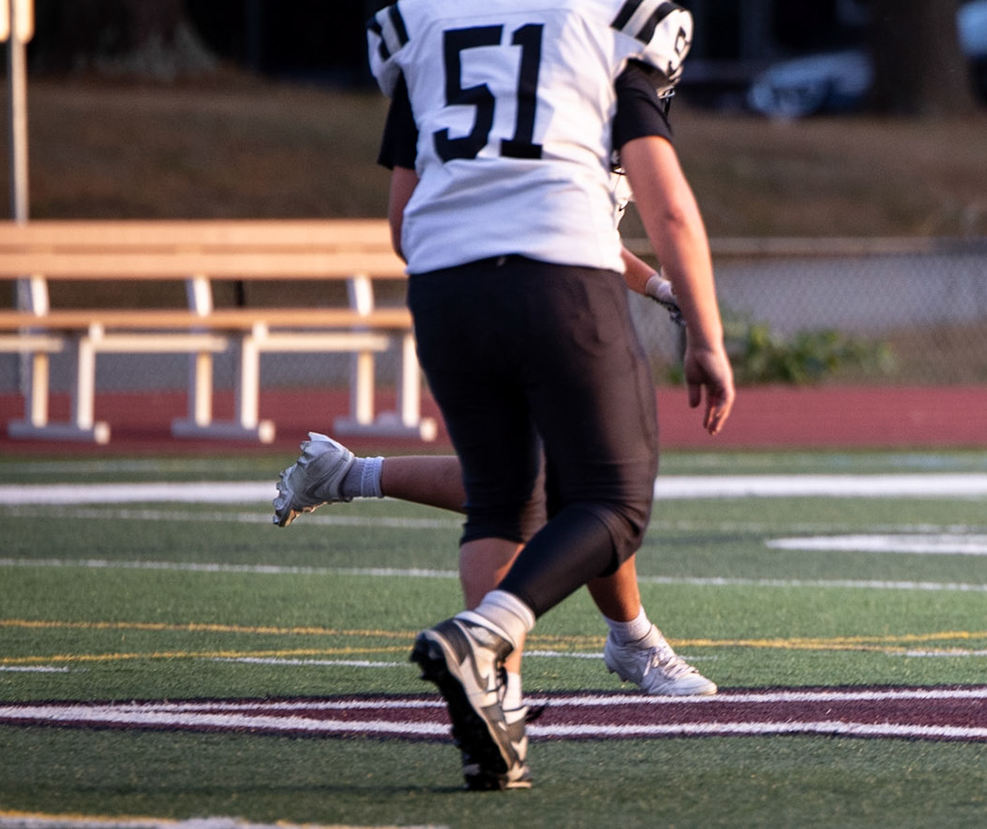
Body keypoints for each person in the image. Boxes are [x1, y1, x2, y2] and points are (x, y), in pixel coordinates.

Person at [366, 0, 735, 790]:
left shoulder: (420, 25)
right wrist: (704, 329)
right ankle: (486, 636)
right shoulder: (615, 21)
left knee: (500, 497)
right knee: (613, 502)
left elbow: (404, 222)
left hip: (445, 286)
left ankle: (499, 708)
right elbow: (670, 205)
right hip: (562, 276)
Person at [267, 244, 713, 700]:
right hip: (541, 297)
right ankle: (567, 644)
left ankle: (347, 475)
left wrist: (659, 286)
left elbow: (407, 224)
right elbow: (650, 216)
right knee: (590, 485)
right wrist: (688, 317)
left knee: (518, 483)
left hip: (463, 292)